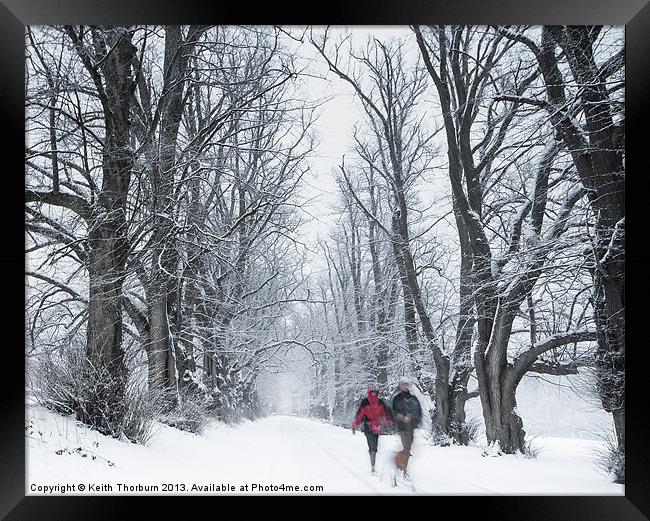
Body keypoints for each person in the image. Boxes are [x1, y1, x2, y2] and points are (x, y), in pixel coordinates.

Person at [351, 383, 394, 474]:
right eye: (372, 392)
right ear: (369, 392)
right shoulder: (365, 402)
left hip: (377, 427)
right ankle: (373, 467)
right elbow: (360, 415)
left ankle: (373, 462)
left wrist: (389, 421)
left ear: (377, 392)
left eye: (375, 392)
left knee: (375, 446)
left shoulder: (380, 403)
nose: (374, 394)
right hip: (368, 426)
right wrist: (355, 424)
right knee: (372, 448)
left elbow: (385, 414)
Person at [391, 378, 422, 479]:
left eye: (407, 384)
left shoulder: (413, 398)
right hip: (402, 427)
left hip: (411, 427)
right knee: (406, 448)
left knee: (408, 449)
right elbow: (393, 412)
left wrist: (413, 418)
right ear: (400, 386)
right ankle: (404, 469)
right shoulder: (397, 398)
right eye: (403, 384)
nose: (405, 386)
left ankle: (397, 460)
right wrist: (401, 416)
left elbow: (418, 412)